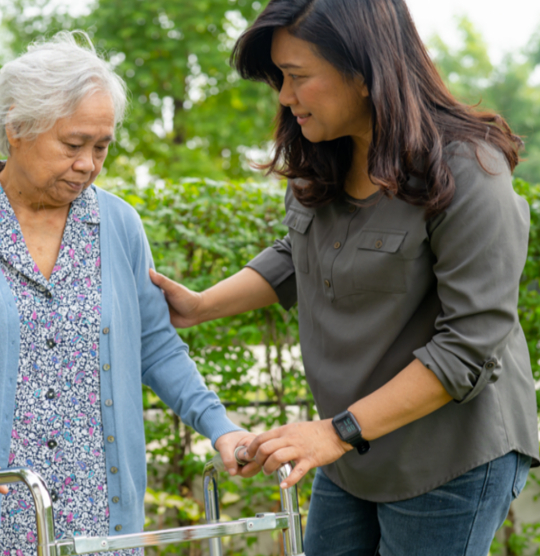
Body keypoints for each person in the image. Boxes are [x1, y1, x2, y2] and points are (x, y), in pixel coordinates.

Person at [149, 0, 540, 554]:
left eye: (298, 76)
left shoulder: (468, 171)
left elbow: (468, 346)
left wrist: (334, 432)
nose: (284, 96)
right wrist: (199, 306)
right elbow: (299, 253)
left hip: (446, 455)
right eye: (280, 78)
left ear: (363, 71)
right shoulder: (325, 157)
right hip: (350, 448)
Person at [0, 31, 253, 556]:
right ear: (17, 127)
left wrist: (221, 428)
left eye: (101, 147)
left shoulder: (118, 225)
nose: (89, 164)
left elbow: (158, 347)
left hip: (100, 525)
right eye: (73, 145)